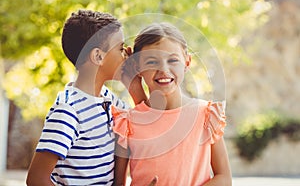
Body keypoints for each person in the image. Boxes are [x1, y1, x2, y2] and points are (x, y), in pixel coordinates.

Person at [26, 10, 145, 186]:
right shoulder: (68, 110)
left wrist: (134, 86)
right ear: (98, 56)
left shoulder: (108, 99)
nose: (126, 55)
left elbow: (148, 122)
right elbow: (36, 179)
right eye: (120, 48)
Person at [112, 22, 232, 186]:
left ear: (187, 62)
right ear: (137, 67)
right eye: (152, 62)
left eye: (173, 60)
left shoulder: (206, 114)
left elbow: (224, 178)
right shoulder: (128, 123)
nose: (164, 70)